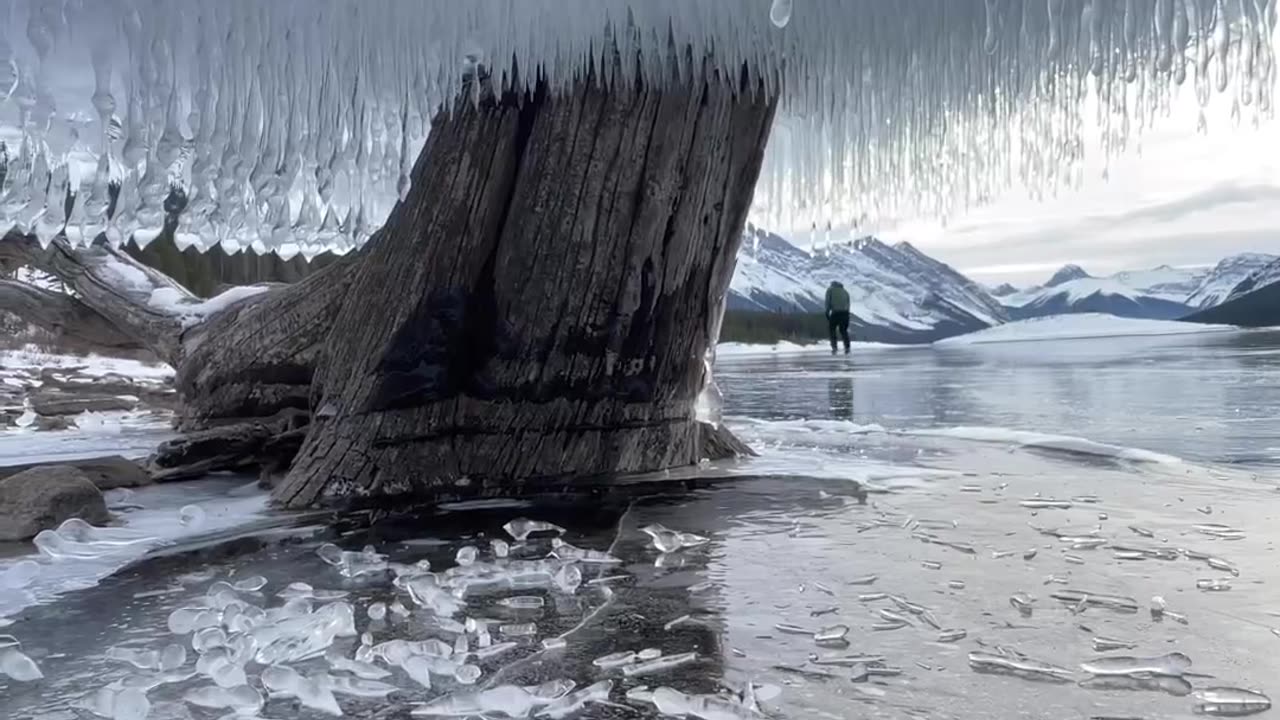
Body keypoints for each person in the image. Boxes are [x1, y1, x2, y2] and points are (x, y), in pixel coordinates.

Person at [825, 280, 851, 355]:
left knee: (832, 329)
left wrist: (827, 312)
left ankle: (834, 347)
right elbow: (848, 303)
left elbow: (828, 302)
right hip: (845, 313)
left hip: (836, 313)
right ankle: (847, 347)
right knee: (843, 331)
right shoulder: (845, 292)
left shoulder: (830, 290)